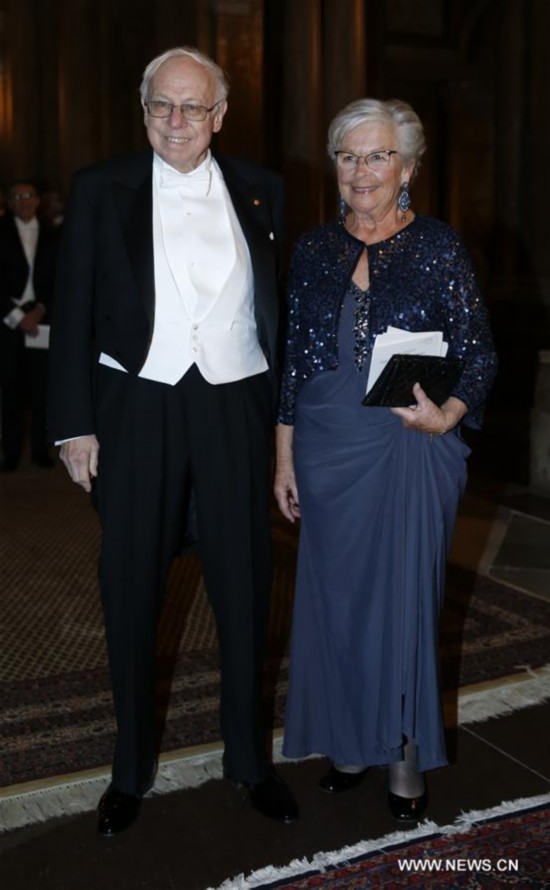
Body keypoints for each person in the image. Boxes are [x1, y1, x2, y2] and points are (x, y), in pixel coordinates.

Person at [48, 46, 298, 835]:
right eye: (164, 105)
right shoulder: (98, 188)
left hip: (234, 404)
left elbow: (279, 310)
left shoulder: (264, 189)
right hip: (137, 403)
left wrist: (286, 426)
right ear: (144, 109)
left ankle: (248, 762)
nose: (179, 121)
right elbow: (71, 311)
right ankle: (129, 771)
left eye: (194, 107)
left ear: (220, 116)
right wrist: (72, 422)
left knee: (244, 582)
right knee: (130, 585)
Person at [274, 98, 497, 822]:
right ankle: (347, 743)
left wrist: (447, 417)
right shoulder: (313, 248)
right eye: (348, 155)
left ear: (406, 167)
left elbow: (481, 353)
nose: (361, 170)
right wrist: (283, 459)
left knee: (403, 602)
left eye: (377, 155)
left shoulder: (437, 246)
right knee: (336, 601)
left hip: (407, 445)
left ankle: (401, 747)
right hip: (326, 443)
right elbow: (292, 366)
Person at [0, 181, 58, 470]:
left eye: (29, 195)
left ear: (38, 200)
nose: (24, 201)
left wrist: (40, 310)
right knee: (8, 388)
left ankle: (39, 449)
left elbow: (60, 278)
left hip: (42, 320)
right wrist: (16, 316)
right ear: (10, 202)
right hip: (8, 321)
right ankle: (10, 452)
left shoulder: (53, 234)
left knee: (42, 389)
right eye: (17, 196)